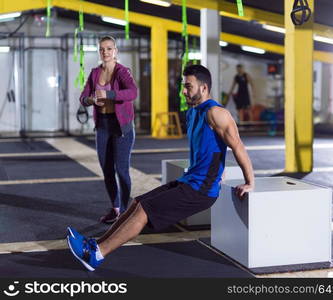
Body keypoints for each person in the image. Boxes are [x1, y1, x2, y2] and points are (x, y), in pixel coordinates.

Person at [67, 64, 254, 271]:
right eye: (184, 86)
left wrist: (249, 182)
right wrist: (217, 168)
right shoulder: (193, 113)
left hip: (201, 190)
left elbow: (238, 146)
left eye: (188, 86)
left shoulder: (217, 113)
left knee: (144, 212)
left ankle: (96, 255)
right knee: (137, 203)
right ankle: (95, 244)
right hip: (190, 181)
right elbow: (210, 148)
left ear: (203, 88)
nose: (183, 90)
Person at [79, 35, 137, 224]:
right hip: (102, 125)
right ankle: (115, 208)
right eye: (102, 49)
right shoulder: (95, 73)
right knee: (107, 170)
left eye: (109, 48)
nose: (105, 52)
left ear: (115, 51)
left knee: (121, 170)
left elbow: (132, 92)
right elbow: (83, 97)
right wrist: (90, 100)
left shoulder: (122, 71)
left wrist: (109, 94)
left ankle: (127, 211)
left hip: (121, 127)